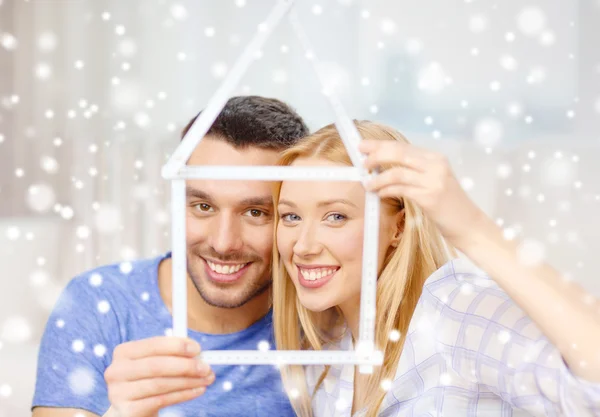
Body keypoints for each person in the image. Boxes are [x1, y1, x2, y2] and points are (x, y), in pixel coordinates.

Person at [272, 120, 600, 416]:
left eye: (336, 217)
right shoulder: (326, 353)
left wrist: (472, 229)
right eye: (291, 216)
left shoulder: (454, 312)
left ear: (398, 228)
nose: (303, 246)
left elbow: (592, 389)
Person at [31, 96, 309, 417]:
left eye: (256, 212)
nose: (223, 243)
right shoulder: (97, 302)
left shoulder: (324, 319)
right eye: (203, 206)